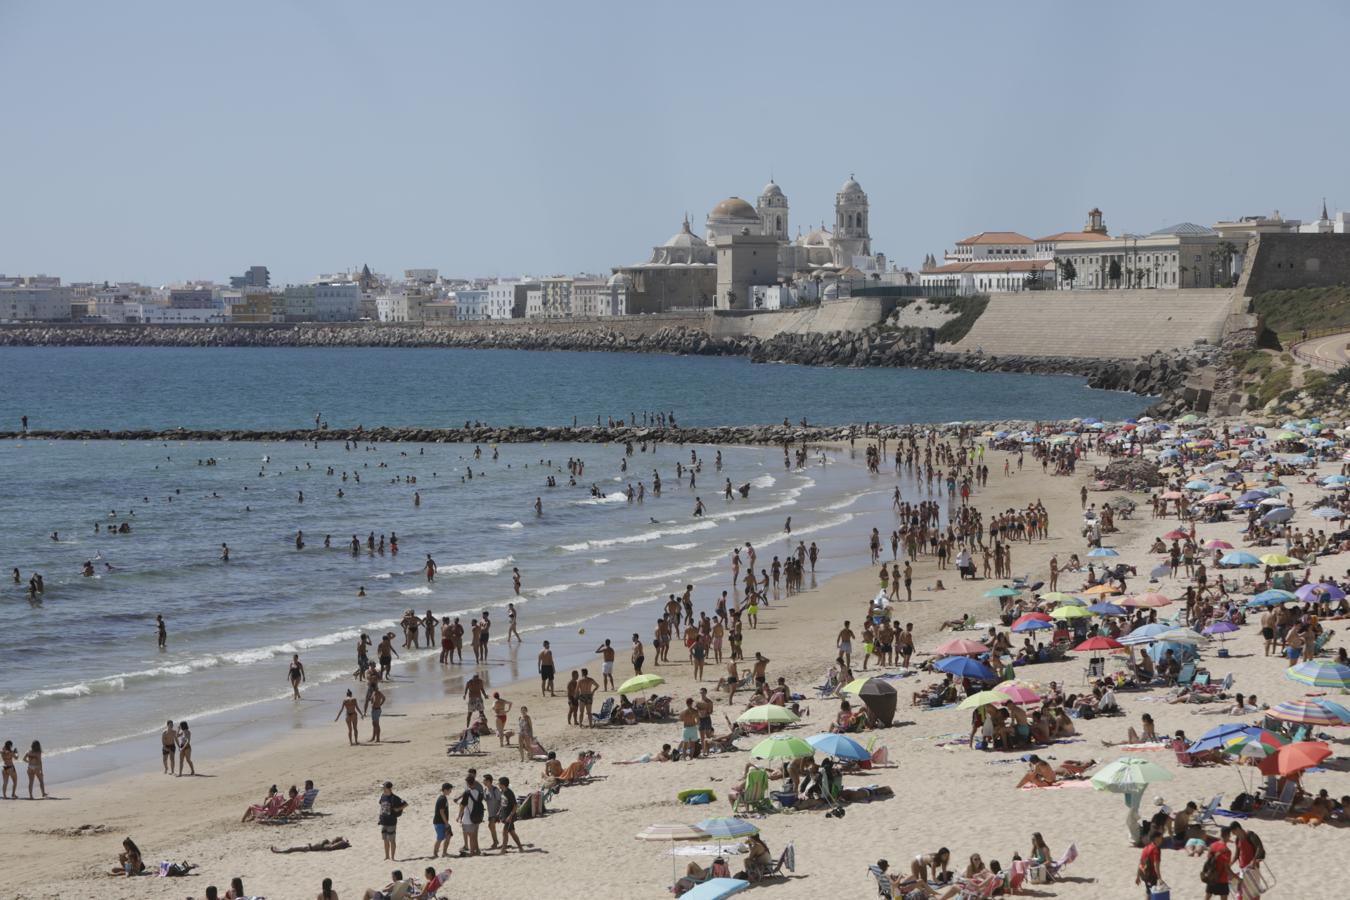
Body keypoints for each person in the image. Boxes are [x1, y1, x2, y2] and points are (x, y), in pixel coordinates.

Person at [378, 781, 407, 861]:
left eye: (383, 787)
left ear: (388, 788)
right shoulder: (383, 796)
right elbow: (382, 807)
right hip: (383, 821)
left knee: (392, 840)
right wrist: (380, 818)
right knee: (385, 839)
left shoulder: (394, 798)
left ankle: (393, 857)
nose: (382, 789)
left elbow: (405, 804)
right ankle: (387, 856)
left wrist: (398, 809)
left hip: (391, 822)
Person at [457, 773, 484, 856]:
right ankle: (477, 850)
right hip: (477, 816)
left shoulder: (467, 793)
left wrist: (458, 816)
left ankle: (472, 852)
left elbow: (462, 806)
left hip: (468, 816)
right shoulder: (479, 792)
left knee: (470, 835)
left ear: (468, 783)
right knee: (474, 835)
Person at [1203, 825, 1234, 899]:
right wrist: (1235, 877)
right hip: (1222, 879)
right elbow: (1226, 868)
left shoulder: (1212, 845)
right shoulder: (1227, 851)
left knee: (1207, 896)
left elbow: (1209, 860)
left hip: (1211, 876)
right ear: (1228, 835)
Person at [497, 775, 523, 854]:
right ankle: (520, 848)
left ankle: (503, 850)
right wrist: (499, 812)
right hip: (505, 815)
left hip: (509, 816)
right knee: (511, 832)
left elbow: (515, 805)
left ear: (503, 784)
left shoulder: (509, 793)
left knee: (505, 832)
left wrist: (510, 816)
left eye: (499, 783)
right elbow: (503, 803)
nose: (498, 784)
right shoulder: (502, 791)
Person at [1137, 830, 1164, 899]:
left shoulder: (1146, 847)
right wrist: (1160, 878)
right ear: (1156, 839)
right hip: (1151, 876)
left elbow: (1141, 862)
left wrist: (1138, 876)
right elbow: (1156, 866)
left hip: (1144, 873)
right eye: (1161, 837)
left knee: (1148, 892)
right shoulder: (1156, 849)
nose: (1162, 839)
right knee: (1152, 893)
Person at [432, 782, 454, 858]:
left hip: (442, 822)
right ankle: (435, 853)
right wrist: (446, 823)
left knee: (448, 836)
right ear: (445, 790)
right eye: (449, 790)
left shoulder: (443, 798)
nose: (450, 791)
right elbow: (441, 812)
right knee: (440, 838)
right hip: (439, 822)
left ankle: (444, 852)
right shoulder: (442, 799)